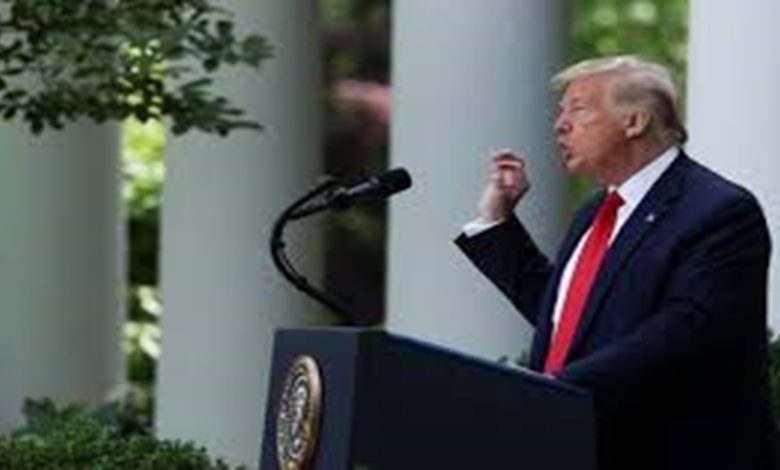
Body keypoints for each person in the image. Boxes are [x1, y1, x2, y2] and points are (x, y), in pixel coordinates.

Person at [455, 55, 775, 470]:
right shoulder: (595, 212)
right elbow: (572, 321)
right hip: (582, 447)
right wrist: (497, 224)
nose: (560, 125)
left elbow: (686, 329)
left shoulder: (718, 209)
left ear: (634, 121)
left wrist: (552, 389)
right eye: (561, 111)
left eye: (577, 109)